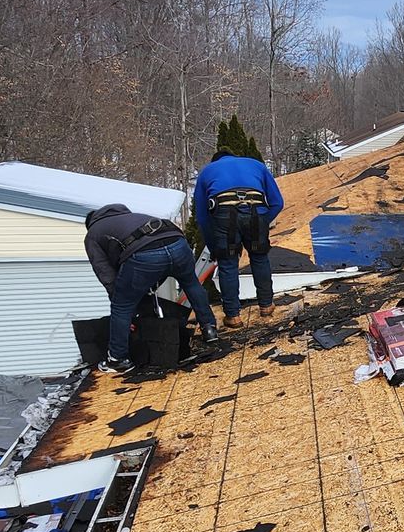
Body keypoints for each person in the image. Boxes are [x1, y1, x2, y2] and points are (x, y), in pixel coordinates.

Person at [84, 203, 217, 374]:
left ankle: (118, 359)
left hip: (145, 253)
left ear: (90, 223)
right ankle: (210, 329)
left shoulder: (93, 234)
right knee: (191, 283)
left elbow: (107, 275)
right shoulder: (133, 217)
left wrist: (123, 305)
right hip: (177, 241)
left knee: (121, 305)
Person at [192, 147, 284, 327]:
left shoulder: (207, 172)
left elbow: (202, 217)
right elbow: (277, 202)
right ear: (235, 156)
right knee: (259, 258)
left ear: (215, 161)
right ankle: (266, 305)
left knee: (228, 264)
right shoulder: (256, 165)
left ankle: (233, 316)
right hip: (256, 211)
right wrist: (263, 221)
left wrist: (213, 246)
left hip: (224, 216)